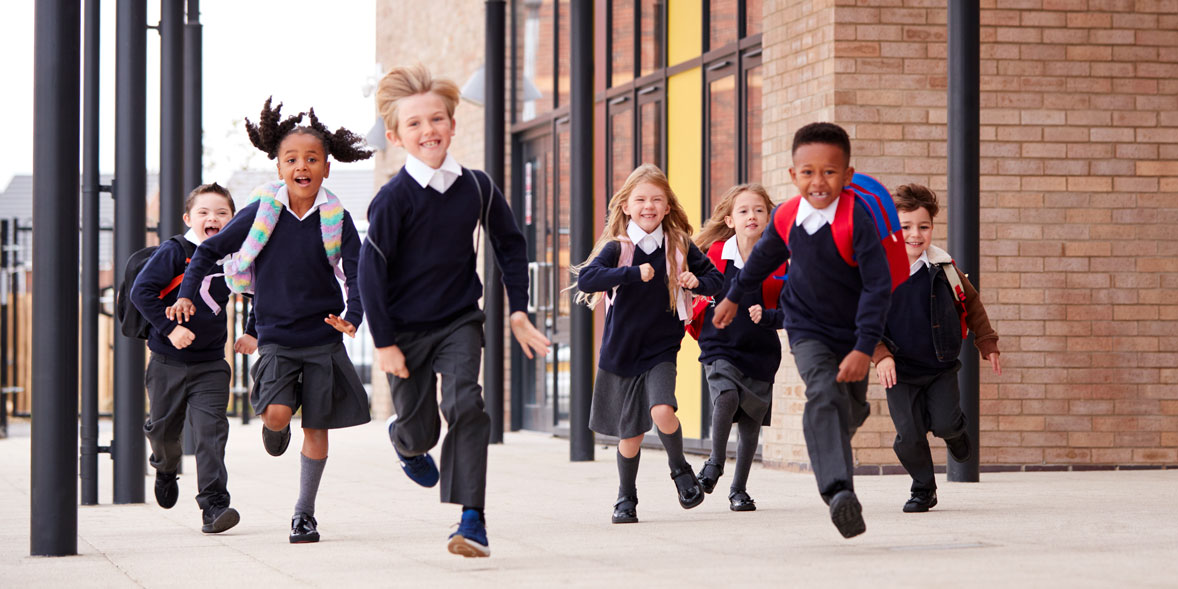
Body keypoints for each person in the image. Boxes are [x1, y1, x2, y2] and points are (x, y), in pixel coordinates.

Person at [359, 64, 551, 558]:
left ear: (452, 124)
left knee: (467, 404)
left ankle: (472, 520)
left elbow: (509, 245)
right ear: (397, 135)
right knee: (420, 427)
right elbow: (370, 274)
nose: (429, 130)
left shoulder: (477, 187)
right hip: (402, 330)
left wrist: (517, 310)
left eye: (437, 119)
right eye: (416, 123)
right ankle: (405, 440)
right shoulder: (391, 200)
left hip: (460, 320)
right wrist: (383, 344)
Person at [169, 99, 372, 544]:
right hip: (277, 337)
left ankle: (304, 514)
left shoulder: (336, 218)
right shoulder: (263, 212)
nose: (302, 166)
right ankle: (273, 425)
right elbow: (208, 250)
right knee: (279, 415)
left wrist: (353, 315)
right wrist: (186, 294)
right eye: (292, 159)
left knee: (316, 427)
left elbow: (357, 272)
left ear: (326, 168)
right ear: (279, 168)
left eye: (312, 159)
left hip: (322, 337)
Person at [712, 122, 891, 539]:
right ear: (793, 175)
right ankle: (838, 492)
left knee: (850, 408)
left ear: (847, 175)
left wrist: (865, 347)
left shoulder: (857, 220)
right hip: (806, 326)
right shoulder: (789, 215)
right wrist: (734, 295)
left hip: (853, 331)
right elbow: (760, 260)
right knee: (823, 394)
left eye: (830, 171)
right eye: (807, 171)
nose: (818, 181)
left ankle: (834, 439)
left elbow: (878, 288)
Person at [573, 163, 724, 525]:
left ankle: (681, 471)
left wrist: (695, 282)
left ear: (668, 206)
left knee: (661, 410)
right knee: (632, 435)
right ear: (626, 206)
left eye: (657, 199)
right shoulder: (618, 248)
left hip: (661, 348)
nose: (649, 206)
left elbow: (716, 280)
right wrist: (630, 274)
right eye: (640, 199)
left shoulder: (679, 245)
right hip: (622, 351)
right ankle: (626, 498)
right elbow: (587, 280)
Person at [873, 183, 1000, 513]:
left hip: (940, 365)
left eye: (923, 226)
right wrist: (881, 355)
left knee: (944, 422)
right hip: (899, 371)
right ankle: (923, 489)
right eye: (905, 227)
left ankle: (955, 431)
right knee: (909, 436)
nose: (915, 234)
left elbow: (971, 303)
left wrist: (986, 342)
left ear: (932, 228)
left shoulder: (944, 268)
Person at [131, 182, 245, 534]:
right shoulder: (174, 251)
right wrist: (170, 328)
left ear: (233, 220)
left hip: (211, 364)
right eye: (204, 212)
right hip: (167, 361)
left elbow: (259, 290)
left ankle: (214, 506)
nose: (213, 218)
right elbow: (141, 292)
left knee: (211, 434)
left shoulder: (236, 255)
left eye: (222, 213)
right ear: (188, 218)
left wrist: (254, 330)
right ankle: (165, 466)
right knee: (164, 431)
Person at [692, 183, 784, 512]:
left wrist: (771, 317)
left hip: (761, 348)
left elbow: (795, 308)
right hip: (720, 344)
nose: (752, 216)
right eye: (743, 211)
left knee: (750, 423)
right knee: (727, 395)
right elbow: (691, 289)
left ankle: (739, 490)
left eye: (759, 210)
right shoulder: (714, 255)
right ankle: (714, 463)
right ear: (730, 220)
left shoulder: (780, 260)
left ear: (769, 217)